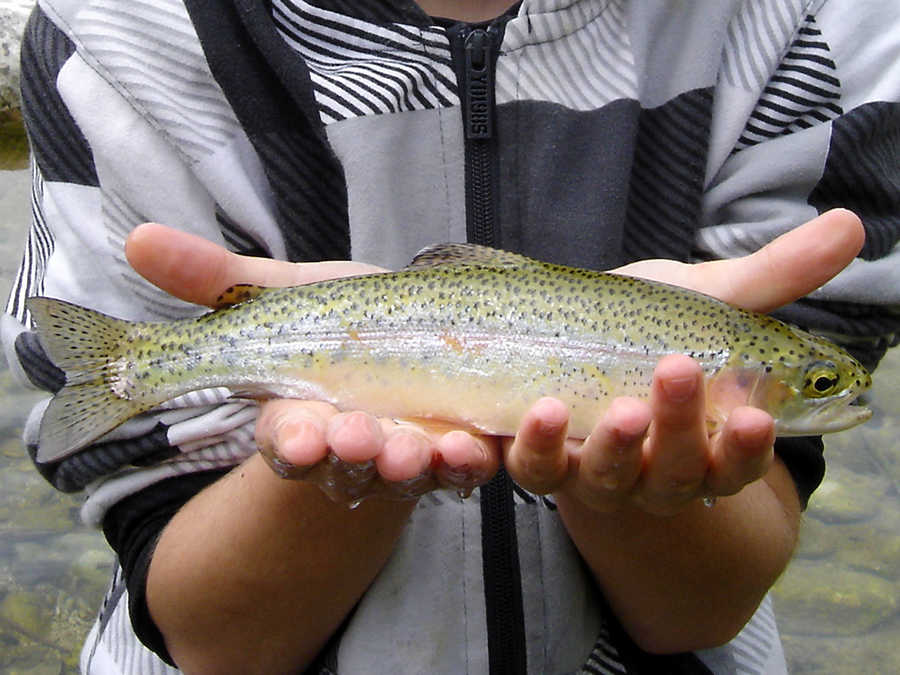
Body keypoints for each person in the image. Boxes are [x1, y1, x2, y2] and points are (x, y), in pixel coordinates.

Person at [3, 0, 898, 673]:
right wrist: (331, 477)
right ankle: (134, 364)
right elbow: (213, 637)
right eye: (818, 386)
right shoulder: (111, 35)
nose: (838, 394)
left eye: (818, 384)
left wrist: (631, 488)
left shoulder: (818, 24)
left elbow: (702, 609)